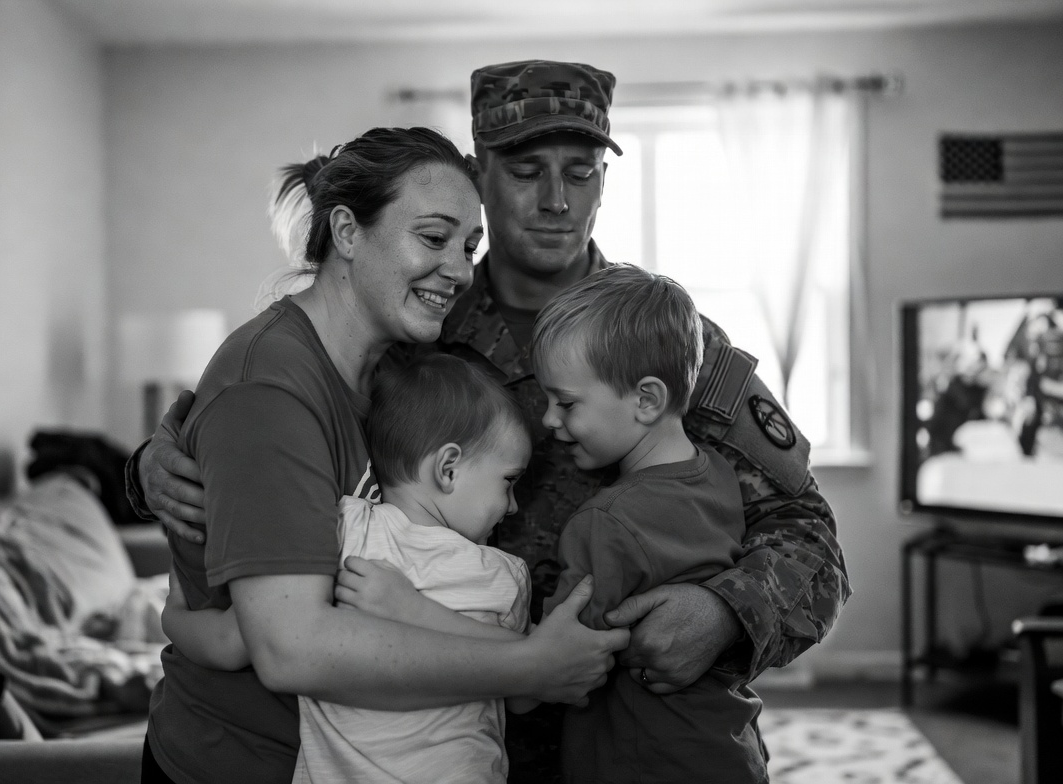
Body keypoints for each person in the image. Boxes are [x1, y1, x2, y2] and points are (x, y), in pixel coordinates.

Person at [131, 61, 851, 779]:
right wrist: (150, 468)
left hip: (647, 746)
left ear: (604, 182)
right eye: (526, 171)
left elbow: (808, 533)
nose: (555, 200)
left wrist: (724, 613)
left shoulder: (666, 339)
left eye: (581, 172)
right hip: (442, 746)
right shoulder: (412, 325)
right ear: (482, 177)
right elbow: (269, 428)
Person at [138, 126, 628, 784]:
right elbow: (292, 648)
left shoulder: (399, 366)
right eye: (433, 238)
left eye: (468, 245)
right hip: (241, 764)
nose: (460, 270)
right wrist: (531, 667)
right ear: (347, 231)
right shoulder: (271, 388)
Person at [163, 352, 543, 783]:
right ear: (448, 468)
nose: (513, 506)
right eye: (509, 481)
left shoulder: (342, 531)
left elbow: (233, 641)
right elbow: (529, 688)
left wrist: (173, 617)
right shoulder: (504, 577)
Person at [532, 264, 766, 782]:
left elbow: (557, 664)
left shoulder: (603, 525)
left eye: (565, 403)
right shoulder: (718, 473)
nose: (549, 419)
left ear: (646, 400)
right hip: (730, 749)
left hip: (642, 764)